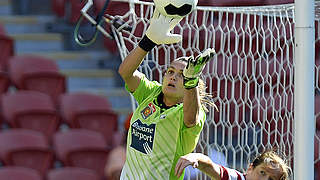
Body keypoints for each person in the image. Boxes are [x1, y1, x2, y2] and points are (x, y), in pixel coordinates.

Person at [118, 8, 216, 180]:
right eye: (170, 71)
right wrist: (148, 41)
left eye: (182, 76)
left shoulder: (192, 113)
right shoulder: (151, 92)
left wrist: (190, 81)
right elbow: (125, 72)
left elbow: (190, 119)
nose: (173, 77)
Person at [175, 150, 291, 180]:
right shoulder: (235, 178)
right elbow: (209, 166)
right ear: (250, 168)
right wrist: (195, 157)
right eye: (262, 172)